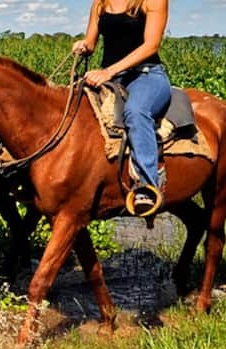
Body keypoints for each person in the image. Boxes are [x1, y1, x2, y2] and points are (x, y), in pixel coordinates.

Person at [72, 0, 171, 213]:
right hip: (110, 79)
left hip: (146, 75)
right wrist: (84, 46)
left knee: (136, 112)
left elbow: (150, 46)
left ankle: (147, 186)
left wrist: (109, 71)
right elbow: (91, 42)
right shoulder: (100, 3)